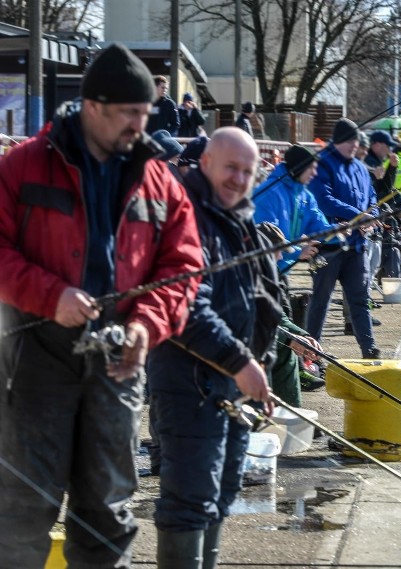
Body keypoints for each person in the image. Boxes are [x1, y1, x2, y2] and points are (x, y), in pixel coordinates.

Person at [0, 42, 203, 567]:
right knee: (22, 508)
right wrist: (50, 295)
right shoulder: (22, 167)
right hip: (36, 355)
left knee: (108, 511)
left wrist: (147, 326)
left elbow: (182, 267)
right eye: (130, 113)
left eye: (145, 112)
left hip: (120, 359)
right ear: (93, 107)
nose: (142, 123)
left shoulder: (160, 180)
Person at [146, 128, 283, 566]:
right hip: (189, 388)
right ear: (204, 164)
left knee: (222, 494)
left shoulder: (240, 220)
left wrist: (261, 366)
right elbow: (183, 308)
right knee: (188, 503)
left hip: (232, 389)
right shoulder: (184, 217)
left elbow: (264, 300)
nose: (239, 178)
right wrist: (241, 362)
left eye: (248, 171)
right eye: (230, 168)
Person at [253, 144, 330, 402]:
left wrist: (338, 231)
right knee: (276, 338)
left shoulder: (303, 193)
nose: (315, 172)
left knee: (283, 317)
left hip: (278, 272)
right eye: (311, 167)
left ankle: (296, 380)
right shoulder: (269, 193)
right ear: (298, 168)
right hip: (263, 273)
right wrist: (296, 251)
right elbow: (266, 238)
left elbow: (317, 219)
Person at [307, 118, 382, 359]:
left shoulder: (360, 167)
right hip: (329, 247)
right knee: (320, 301)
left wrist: (372, 217)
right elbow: (322, 198)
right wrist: (358, 217)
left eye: (356, 141)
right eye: (349, 141)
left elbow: (373, 198)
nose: (354, 146)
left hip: (357, 246)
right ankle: (310, 352)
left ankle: (369, 348)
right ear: (337, 140)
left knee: (360, 299)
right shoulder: (322, 164)